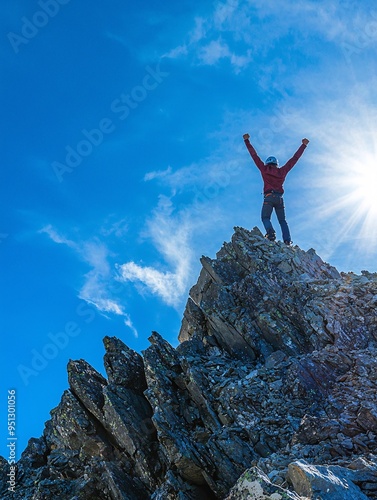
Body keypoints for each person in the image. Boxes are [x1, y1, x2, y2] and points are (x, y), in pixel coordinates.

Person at [243, 133, 309, 245]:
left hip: (268, 197)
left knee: (265, 217)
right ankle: (287, 241)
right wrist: (303, 145)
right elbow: (294, 159)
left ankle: (271, 234)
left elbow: (254, 155)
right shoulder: (282, 171)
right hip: (279, 199)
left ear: (267, 163)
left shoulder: (264, 169)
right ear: (276, 164)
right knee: (282, 221)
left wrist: (247, 141)